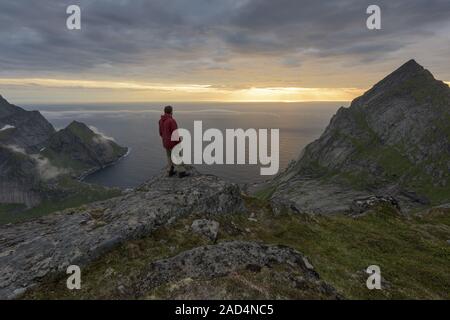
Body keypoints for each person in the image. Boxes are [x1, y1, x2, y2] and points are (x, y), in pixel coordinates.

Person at [158, 105, 186, 177]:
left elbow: (161, 133)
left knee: (169, 156)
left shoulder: (161, 120)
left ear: (164, 111)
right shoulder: (171, 121)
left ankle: (171, 170)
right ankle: (181, 172)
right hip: (173, 143)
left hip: (165, 142)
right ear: (171, 111)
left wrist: (165, 139)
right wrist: (178, 142)